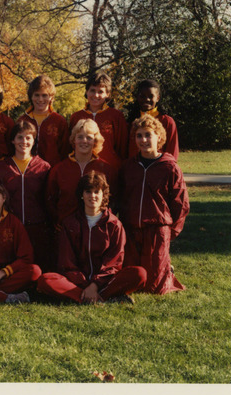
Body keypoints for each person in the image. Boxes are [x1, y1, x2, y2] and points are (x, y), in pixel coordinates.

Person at [37, 172, 147, 304]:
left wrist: (95, 285)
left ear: (103, 195)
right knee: (45, 280)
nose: (92, 196)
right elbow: (66, 262)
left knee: (139, 274)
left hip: (105, 281)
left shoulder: (114, 224)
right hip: (76, 282)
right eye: (88, 192)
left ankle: (91, 297)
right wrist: (85, 284)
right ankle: (100, 298)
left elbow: (113, 263)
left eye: (97, 192)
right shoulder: (70, 223)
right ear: (82, 195)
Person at [119, 115, 189, 294]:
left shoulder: (169, 167)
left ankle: (166, 268)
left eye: (148, 135)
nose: (143, 140)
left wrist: (171, 231)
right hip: (132, 228)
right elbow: (121, 197)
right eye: (139, 135)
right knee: (134, 280)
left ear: (159, 137)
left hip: (157, 229)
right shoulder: (129, 167)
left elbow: (180, 203)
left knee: (154, 288)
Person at [0, 120, 53, 270]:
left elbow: (48, 198)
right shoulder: (2, 167)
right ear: (13, 140)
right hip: (10, 225)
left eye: (28, 138)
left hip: (37, 226)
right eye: (20, 137)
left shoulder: (44, 167)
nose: (24, 141)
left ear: (34, 141)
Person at [46, 119, 116, 227]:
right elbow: (51, 200)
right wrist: (59, 221)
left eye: (89, 137)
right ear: (74, 140)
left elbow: (113, 200)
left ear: (95, 141)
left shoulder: (105, 169)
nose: (84, 141)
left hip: (96, 229)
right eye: (80, 137)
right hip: (67, 230)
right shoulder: (59, 169)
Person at [68, 72, 128, 170]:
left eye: (100, 92)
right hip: (82, 167)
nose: (96, 95)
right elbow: (72, 145)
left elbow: (122, 147)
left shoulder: (116, 116)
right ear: (87, 91)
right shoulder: (77, 116)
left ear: (107, 94)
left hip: (109, 168)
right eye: (92, 90)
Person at [17, 75, 69, 167]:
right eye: (36, 95)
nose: (40, 99)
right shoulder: (22, 120)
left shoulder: (59, 121)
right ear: (31, 96)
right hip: (27, 171)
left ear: (51, 97)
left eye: (44, 95)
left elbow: (65, 150)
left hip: (52, 170)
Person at [126, 79, 179, 160]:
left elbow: (172, 152)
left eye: (151, 96)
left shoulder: (167, 121)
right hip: (135, 169)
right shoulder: (131, 122)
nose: (146, 99)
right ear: (137, 97)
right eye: (142, 96)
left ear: (157, 98)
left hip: (159, 169)